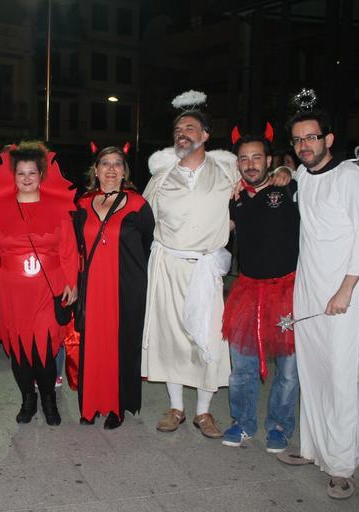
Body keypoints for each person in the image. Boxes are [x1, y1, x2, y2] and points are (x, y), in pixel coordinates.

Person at [277, 108, 359, 500]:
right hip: (309, 291)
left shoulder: (350, 177)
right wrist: (281, 172)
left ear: (329, 139)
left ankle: (341, 466)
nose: (304, 145)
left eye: (312, 137)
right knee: (313, 370)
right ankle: (312, 449)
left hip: (343, 294)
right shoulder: (304, 176)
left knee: (341, 376)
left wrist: (346, 289)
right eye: (298, 139)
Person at [141, 102, 239, 439]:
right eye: (178, 130)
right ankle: (176, 408)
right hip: (168, 266)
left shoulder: (228, 173)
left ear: (206, 135)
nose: (182, 134)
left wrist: (283, 171)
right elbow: (139, 219)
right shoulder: (161, 177)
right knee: (172, 338)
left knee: (208, 338)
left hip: (205, 269)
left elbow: (259, 188)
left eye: (190, 129)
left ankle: (204, 412)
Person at [0, 143, 78, 426]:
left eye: (32, 173)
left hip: (47, 290)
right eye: (21, 173)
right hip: (10, 291)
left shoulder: (58, 208)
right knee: (19, 349)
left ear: (41, 175)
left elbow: (69, 250)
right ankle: (28, 398)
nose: (26, 178)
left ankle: (49, 399)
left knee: (44, 349)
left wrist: (71, 282)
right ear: (13, 176)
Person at [221, 132, 300, 453]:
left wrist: (288, 172)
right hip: (247, 291)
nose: (250, 164)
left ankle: (279, 426)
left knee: (289, 370)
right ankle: (242, 422)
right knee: (242, 367)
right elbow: (218, 229)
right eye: (244, 158)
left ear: (269, 160)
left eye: (256, 157)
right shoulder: (235, 197)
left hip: (288, 290)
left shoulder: (290, 189)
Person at [74, 146, 154, 429]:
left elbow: (149, 244)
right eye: (105, 163)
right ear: (95, 171)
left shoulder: (138, 204)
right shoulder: (82, 204)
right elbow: (73, 247)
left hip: (126, 288)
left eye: (117, 164)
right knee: (93, 345)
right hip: (92, 288)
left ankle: (115, 407)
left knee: (121, 346)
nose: (110, 169)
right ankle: (90, 404)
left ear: (124, 171)